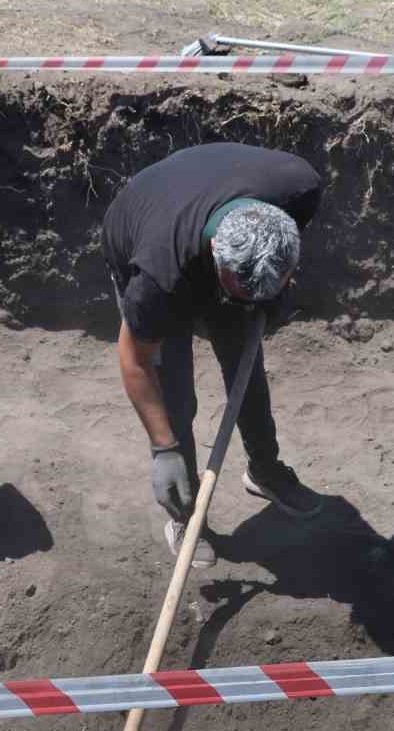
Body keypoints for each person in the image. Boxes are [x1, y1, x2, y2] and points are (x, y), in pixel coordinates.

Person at [103, 143, 324, 565]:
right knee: (175, 390)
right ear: (219, 267)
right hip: (145, 223)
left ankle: (265, 468)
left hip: (210, 197)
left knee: (245, 359)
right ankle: (186, 510)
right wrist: (162, 448)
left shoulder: (299, 190)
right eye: (237, 294)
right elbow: (135, 361)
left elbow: (269, 273)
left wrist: (269, 298)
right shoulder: (158, 278)